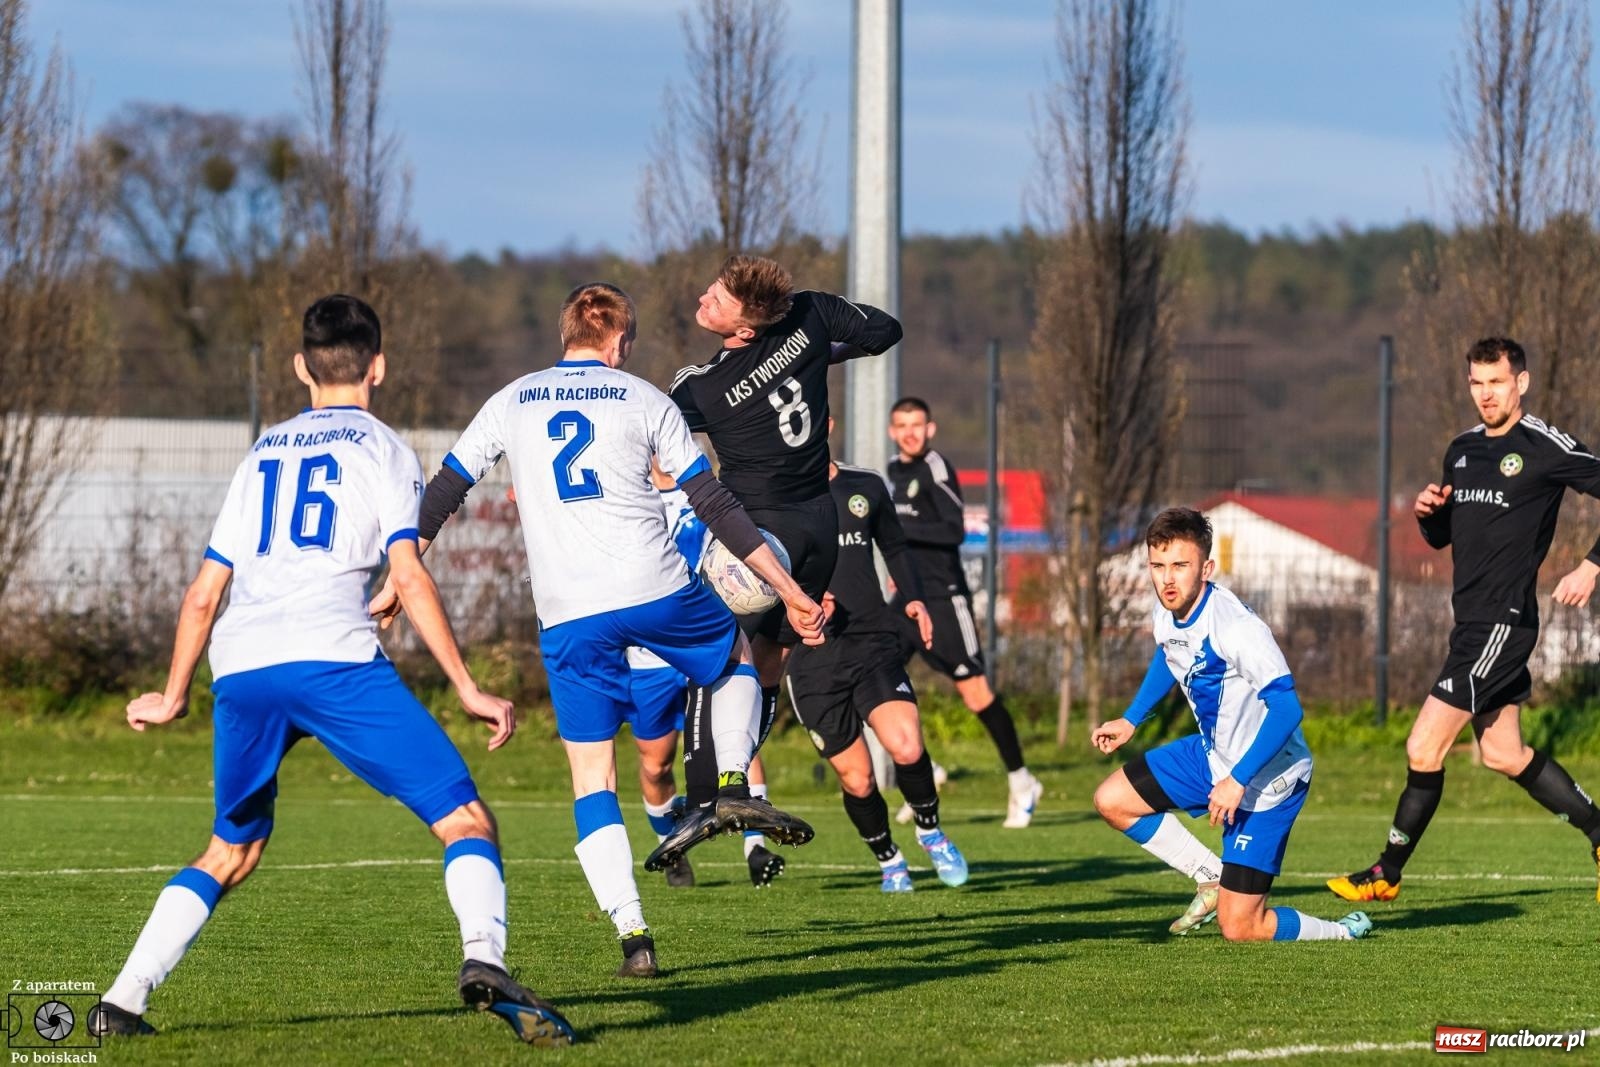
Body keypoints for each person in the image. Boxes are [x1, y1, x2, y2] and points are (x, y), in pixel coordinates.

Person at [87, 295, 574, 1046]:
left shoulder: (261, 453)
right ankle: (484, 957)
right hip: (333, 660)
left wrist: (174, 692)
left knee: (231, 849)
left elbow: (203, 593)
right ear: (378, 366)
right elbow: (407, 577)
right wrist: (467, 686)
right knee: (466, 819)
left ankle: (121, 999)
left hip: (243, 667)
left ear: (298, 368)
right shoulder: (384, 448)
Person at [373, 283, 823, 977]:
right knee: (734, 650)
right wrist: (790, 590)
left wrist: (401, 572)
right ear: (622, 343)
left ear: (567, 337)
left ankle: (634, 935)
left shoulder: (512, 399)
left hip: (569, 611)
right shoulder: (647, 399)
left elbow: (444, 490)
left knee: (591, 780)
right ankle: (733, 778)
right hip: (655, 588)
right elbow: (714, 503)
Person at [1328, 337, 1600, 905]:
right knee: (1504, 754)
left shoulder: (1543, 445)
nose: (1485, 394)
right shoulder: (1461, 450)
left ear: (1520, 383)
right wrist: (1431, 517)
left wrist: (1591, 567)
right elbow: (1448, 536)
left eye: (1496, 382)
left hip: (1502, 625)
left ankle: (1386, 872)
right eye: (1476, 383)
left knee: (1423, 747)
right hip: (1468, 623)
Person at [668, 255, 903, 817]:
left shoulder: (700, 387)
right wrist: (822, 354)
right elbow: (885, 331)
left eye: (718, 301)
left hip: (754, 536)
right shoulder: (810, 313)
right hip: (819, 526)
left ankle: (712, 795)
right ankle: (738, 783)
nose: (704, 298)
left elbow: (646, 431)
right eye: (714, 286)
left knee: (722, 655)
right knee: (771, 660)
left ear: (745, 329)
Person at [1092, 507, 1372, 942]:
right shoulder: (1167, 610)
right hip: (1213, 755)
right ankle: (1210, 876)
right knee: (1113, 800)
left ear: (1206, 567)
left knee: (1240, 927)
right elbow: (1171, 653)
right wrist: (1131, 720)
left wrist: (1238, 780)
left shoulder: (1237, 628)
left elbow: (1287, 709)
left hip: (1269, 780)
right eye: (1158, 566)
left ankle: (1342, 932)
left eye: (1180, 566)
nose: (1167, 579)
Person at [785, 452, 969, 892]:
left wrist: (913, 597)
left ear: (823, 423)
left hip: (872, 639)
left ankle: (930, 831)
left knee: (906, 745)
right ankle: (890, 860)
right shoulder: (776, 498)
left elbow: (895, 545)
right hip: (813, 659)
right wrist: (799, 602)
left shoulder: (863, 486)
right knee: (858, 778)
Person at [886, 397, 1042, 827]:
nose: (910, 432)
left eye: (917, 424)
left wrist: (900, 529)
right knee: (877, 680)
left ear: (930, 429)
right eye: (902, 425)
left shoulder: (937, 468)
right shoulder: (894, 472)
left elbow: (954, 529)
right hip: (906, 602)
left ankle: (1022, 780)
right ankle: (925, 773)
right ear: (891, 431)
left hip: (944, 598)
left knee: (975, 694)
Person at [631, 474, 786, 889]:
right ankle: (672, 846)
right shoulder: (628, 489)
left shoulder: (705, 491)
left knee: (737, 737)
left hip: (705, 638)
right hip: (647, 655)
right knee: (655, 763)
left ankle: (755, 845)